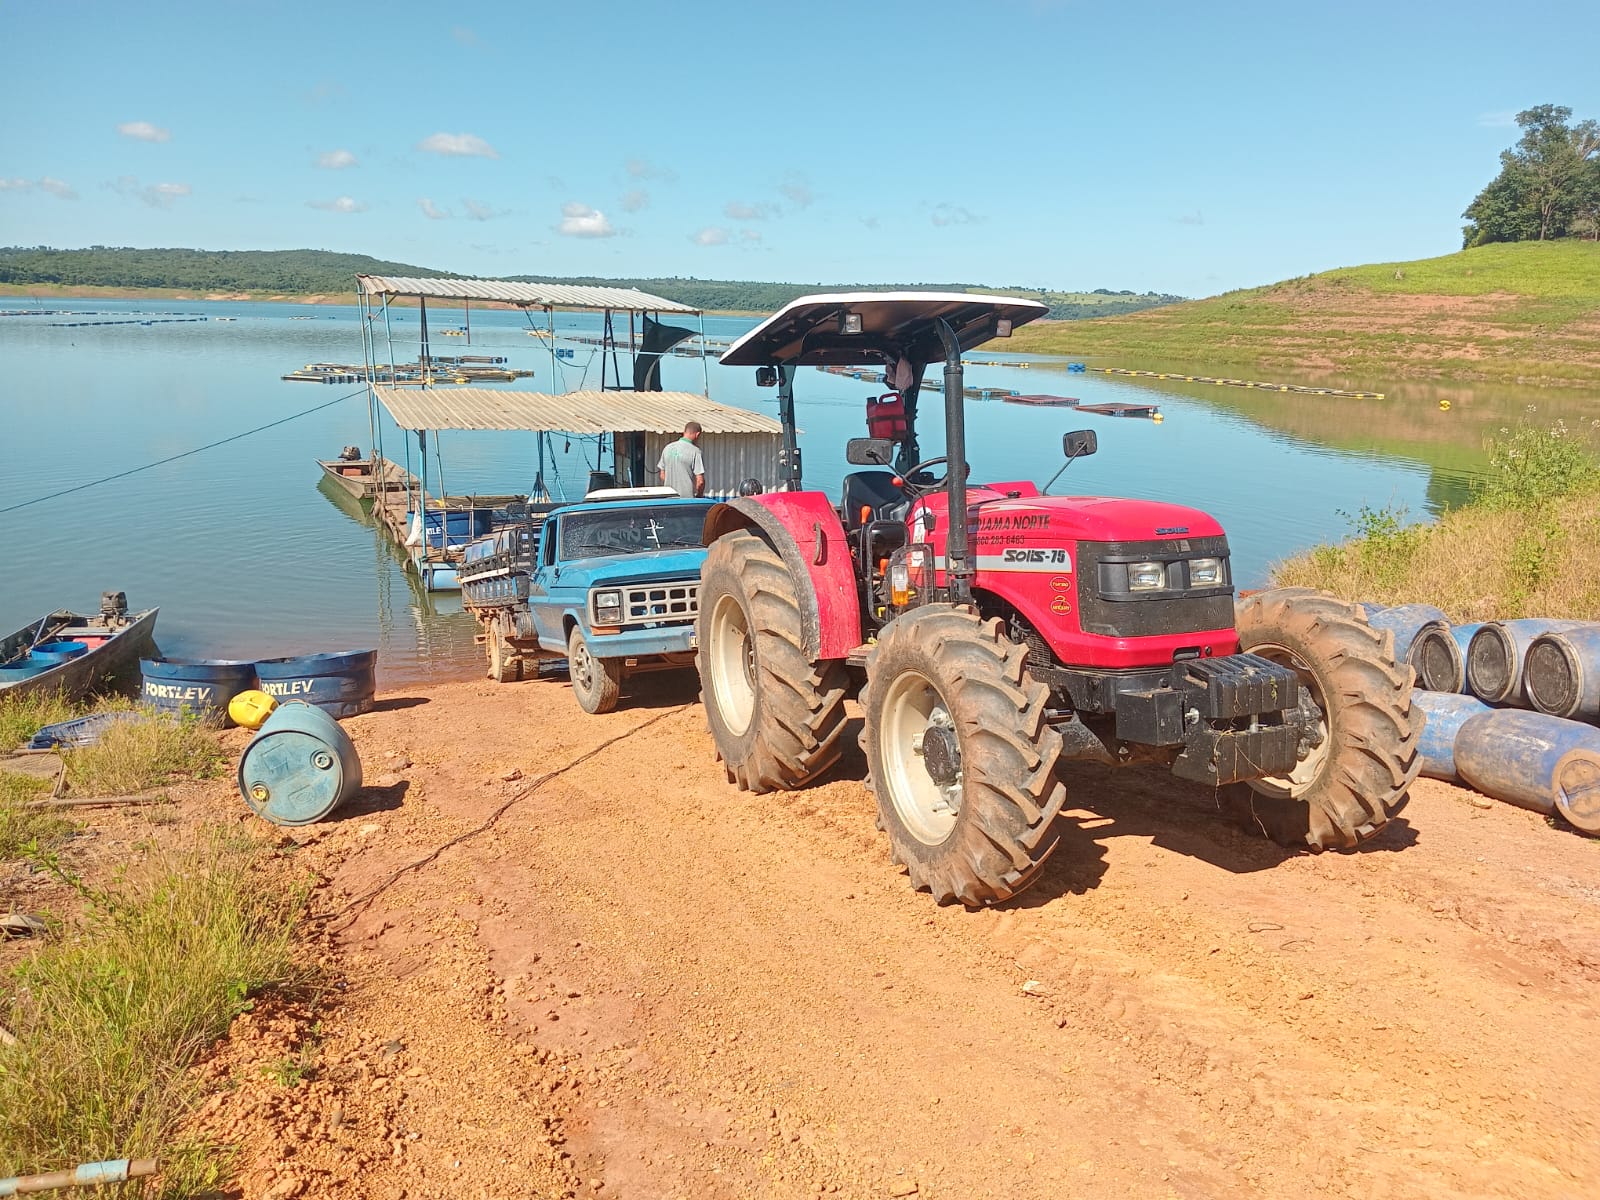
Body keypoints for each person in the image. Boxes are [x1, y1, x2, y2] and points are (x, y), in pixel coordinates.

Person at [658, 421, 705, 497]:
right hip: (686, 499)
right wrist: (699, 495)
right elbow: (700, 481)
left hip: (668, 497)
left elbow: (662, 475)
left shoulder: (667, 448)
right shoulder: (695, 451)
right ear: (697, 434)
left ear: (684, 432)